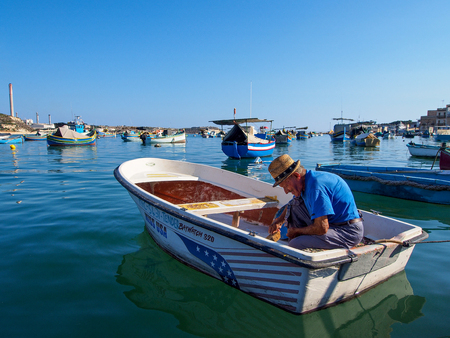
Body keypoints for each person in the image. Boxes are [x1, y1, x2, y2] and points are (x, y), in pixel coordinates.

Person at [268, 154, 364, 250]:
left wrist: (297, 231)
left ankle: (307, 246)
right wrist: (279, 221)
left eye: (286, 186)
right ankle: (306, 240)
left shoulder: (316, 188)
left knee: (296, 244)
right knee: (295, 205)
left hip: (348, 231)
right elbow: (292, 204)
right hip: (334, 224)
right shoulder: (308, 179)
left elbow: (322, 227)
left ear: (296, 175)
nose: (286, 191)